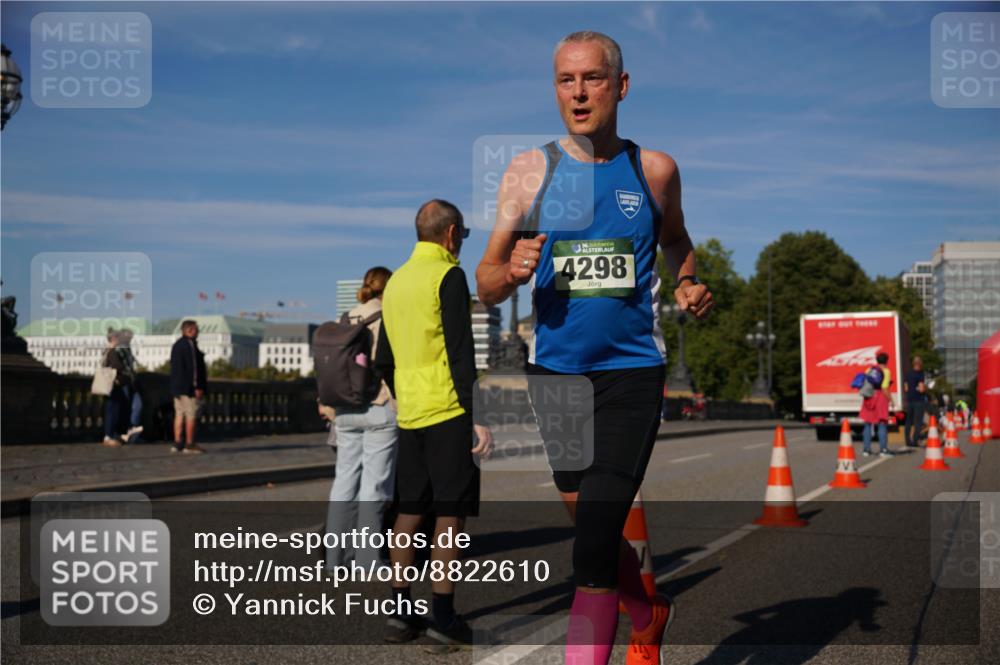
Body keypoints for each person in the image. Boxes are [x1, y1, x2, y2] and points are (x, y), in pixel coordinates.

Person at [475, 32, 713, 665]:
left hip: (632, 371)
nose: (578, 93)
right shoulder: (529, 171)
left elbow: (677, 240)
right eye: (565, 80)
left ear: (621, 86)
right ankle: (649, 612)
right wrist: (510, 272)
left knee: (594, 540)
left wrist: (687, 281)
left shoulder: (654, 170)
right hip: (555, 374)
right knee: (591, 526)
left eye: (592, 78)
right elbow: (486, 282)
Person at [375, 199, 495, 650]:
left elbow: (384, 359)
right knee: (449, 514)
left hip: (410, 412)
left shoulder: (397, 281)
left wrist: (408, 392)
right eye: (463, 235)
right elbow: (461, 352)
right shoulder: (448, 276)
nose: (461, 242)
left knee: (408, 511)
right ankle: (443, 617)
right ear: (451, 234)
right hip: (447, 409)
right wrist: (475, 416)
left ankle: (400, 612)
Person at [325, 267, 399, 570]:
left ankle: (335, 559)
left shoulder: (346, 318)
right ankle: (367, 560)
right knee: (374, 487)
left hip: (344, 409)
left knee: (343, 483)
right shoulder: (389, 315)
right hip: (379, 405)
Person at [170, 320, 207, 454]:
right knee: (191, 415)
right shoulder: (190, 345)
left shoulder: (177, 345)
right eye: (196, 329)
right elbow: (194, 369)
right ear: (189, 330)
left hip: (177, 387)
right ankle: (190, 443)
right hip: (188, 388)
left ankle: (178, 442)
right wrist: (197, 386)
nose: (198, 332)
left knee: (179, 414)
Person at [100, 329, 131, 447]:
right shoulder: (112, 351)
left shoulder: (107, 350)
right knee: (112, 410)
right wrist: (124, 369)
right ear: (114, 339)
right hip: (113, 384)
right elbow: (117, 366)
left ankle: (110, 434)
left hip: (110, 384)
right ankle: (109, 435)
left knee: (112, 409)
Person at [859, 352, 893, 458]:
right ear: (886, 361)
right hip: (880, 398)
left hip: (869, 397)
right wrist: (891, 400)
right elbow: (884, 388)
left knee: (868, 423)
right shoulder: (886, 371)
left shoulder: (869, 370)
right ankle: (883, 450)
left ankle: (866, 450)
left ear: (877, 360)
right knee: (882, 423)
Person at [116, 328, 144, 443]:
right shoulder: (119, 348)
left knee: (137, 405)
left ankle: (132, 430)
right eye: (128, 337)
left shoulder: (127, 348)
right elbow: (120, 366)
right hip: (124, 382)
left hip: (131, 382)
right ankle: (127, 432)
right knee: (126, 407)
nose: (130, 339)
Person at [903, 356, 927, 448]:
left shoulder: (908, 374)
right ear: (920, 364)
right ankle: (915, 441)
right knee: (918, 422)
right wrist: (925, 388)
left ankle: (907, 440)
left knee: (908, 421)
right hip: (918, 400)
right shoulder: (920, 374)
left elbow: (906, 388)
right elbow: (921, 389)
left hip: (909, 400)